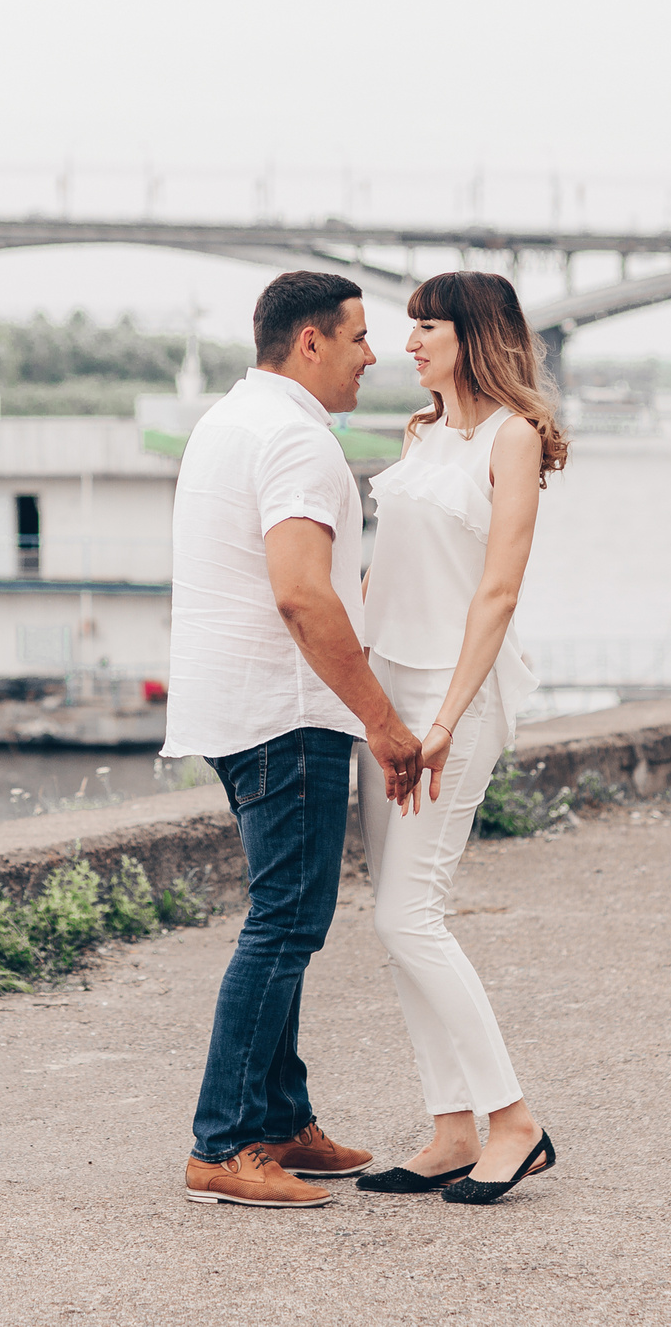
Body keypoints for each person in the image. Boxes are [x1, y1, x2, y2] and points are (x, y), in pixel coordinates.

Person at [166, 270, 426, 1208]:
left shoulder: (230, 419)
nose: (374, 354)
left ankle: (278, 1116)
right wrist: (382, 719)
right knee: (285, 923)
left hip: (235, 706)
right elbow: (303, 591)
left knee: (287, 921)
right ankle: (224, 1142)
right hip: (289, 709)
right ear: (310, 342)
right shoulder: (297, 440)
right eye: (359, 337)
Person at [353, 270, 570, 1206]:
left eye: (425, 325)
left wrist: (441, 719)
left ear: (473, 334)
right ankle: (449, 1127)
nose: (409, 342)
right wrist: (369, 705)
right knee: (390, 920)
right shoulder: (420, 431)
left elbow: (498, 588)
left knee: (414, 912)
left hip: (457, 694)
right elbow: (381, 573)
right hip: (390, 691)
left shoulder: (509, 437)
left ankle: (512, 1119)